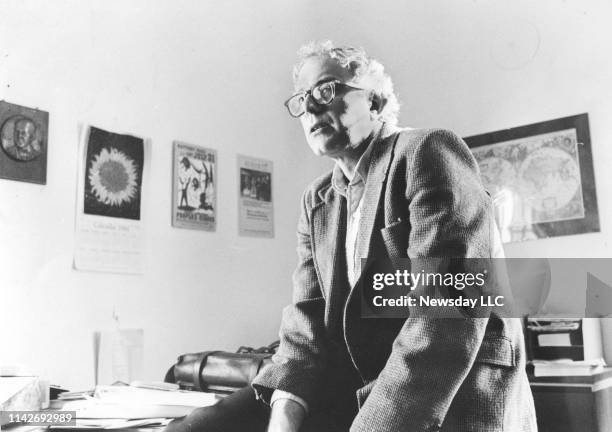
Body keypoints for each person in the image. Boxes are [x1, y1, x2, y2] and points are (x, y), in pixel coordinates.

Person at [165, 41, 537, 432]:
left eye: (326, 90)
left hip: (452, 395)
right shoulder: (318, 198)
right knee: (195, 428)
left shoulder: (426, 152)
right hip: (362, 389)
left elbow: (444, 313)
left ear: (375, 101)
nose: (310, 108)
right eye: (302, 99)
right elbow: (305, 322)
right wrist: (283, 417)